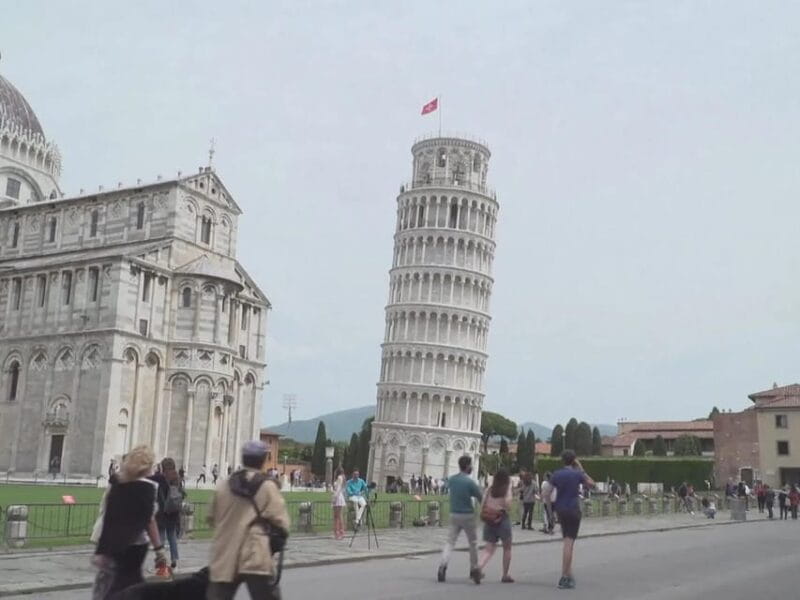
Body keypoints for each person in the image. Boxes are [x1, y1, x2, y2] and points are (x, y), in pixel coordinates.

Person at [207, 440, 290, 600]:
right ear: (263, 460)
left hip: (225, 551)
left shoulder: (224, 485)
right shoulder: (267, 486)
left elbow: (211, 517)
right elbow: (282, 522)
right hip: (255, 552)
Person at [91, 445, 167, 599]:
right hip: (136, 546)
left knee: (118, 584)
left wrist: (102, 549)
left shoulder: (117, 483)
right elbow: (149, 521)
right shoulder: (148, 488)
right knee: (129, 585)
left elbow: (109, 518)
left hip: (115, 544)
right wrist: (159, 549)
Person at [550, 450, 595, 590]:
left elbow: (546, 491)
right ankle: (565, 576)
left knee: (567, 541)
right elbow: (591, 484)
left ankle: (569, 573)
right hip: (573, 509)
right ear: (574, 460)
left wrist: (550, 509)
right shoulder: (577, 474)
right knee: (569, 543)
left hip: (560, 509)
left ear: (562, 460)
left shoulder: (556, 474)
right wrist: (582, 469)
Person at [437, 455, 482, 584]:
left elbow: (445, 484)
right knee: (473, 543)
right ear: (467, 466)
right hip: (467, 515)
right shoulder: (469, 482)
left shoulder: (452, 480)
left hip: (454, 514)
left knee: (450, 542)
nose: (472, 467)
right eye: (471, 465)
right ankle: (474, 569)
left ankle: (442, 566)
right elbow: (480, 497)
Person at [477, 468, 514, 583]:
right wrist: (510, 489)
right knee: (507, 548)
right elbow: (508, 505)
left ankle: (478, 567)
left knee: (488, 549)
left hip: (489, 520)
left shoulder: (490, 489)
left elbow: (482, 503)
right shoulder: (506, 489)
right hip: (502, 520)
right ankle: (505, 574)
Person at [150, 457, 185, 571]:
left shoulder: (161, 478)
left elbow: (148, 479)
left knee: (161, 538)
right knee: (172, 537)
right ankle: (175, 561)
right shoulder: (177, 478)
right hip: (173, 513)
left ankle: (161, 562)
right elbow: (183, 494)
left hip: (162, 512)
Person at [331, 467, 346, 540]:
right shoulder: (340, 477)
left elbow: (339, 488)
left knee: (338, 516)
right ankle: (337, 531)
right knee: (337, 516)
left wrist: (334, 498)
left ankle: (340, 532)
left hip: (338, 497)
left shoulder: (340, 477)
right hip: (337, 496)